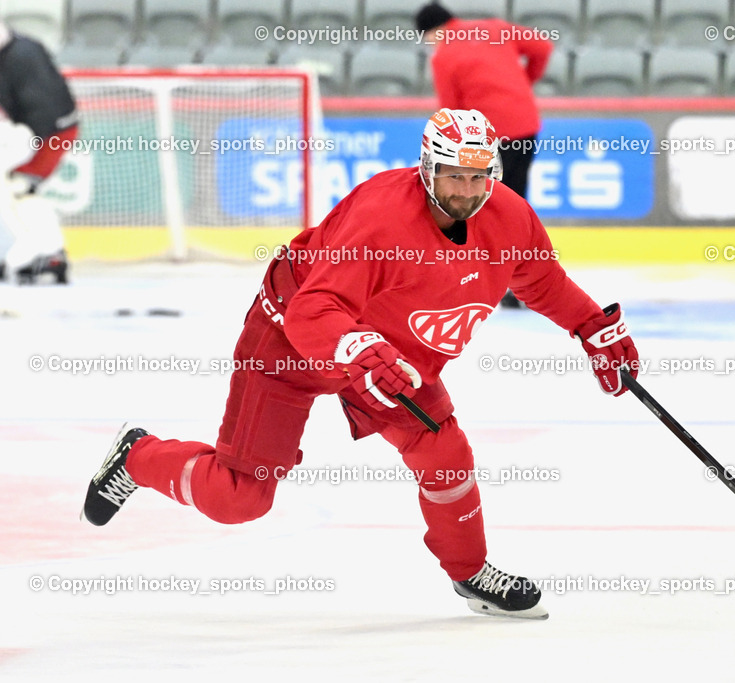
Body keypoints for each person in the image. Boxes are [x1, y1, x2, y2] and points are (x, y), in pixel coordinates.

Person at [81, 109, 638, 619]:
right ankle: (140, 456)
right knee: (238, 499)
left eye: (479, 177)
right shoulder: (382, 219)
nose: (468, 192)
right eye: (454, 177)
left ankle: (471, 574)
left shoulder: (508, 216)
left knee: (443, 448)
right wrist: (356, 348)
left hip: (388, 356)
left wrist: (593, 327)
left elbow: (540, 280)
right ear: (427, 170)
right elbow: (313, 310)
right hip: (289, 344)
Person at [416, 2, 552, 309]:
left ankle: (491, 279)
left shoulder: (444, 56)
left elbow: (450, 113)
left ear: (433, 32)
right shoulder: (493, 28)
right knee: (516, 204)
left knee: (482, 208)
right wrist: (526, 81)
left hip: (488, 139)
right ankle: (523, 280)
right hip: (525, 125)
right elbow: (542, 46)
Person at [0, 22, 78, 284]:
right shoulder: (22, 48)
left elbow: (41, 111)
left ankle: (39, 254)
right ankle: (48, 254)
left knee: (19, 187)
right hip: (53, 130)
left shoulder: (22, 56)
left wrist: (24, 140)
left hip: (51, 133)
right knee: (22, 189)